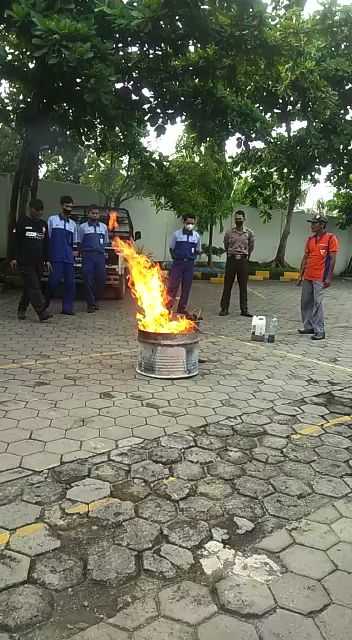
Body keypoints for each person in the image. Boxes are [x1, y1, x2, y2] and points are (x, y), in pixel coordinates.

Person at [10, 198, 52, 322]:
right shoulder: (22, 222)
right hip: (25, 262)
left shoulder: (43, 224)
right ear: (31, 209)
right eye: (36, 210)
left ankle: (21, 309)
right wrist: (13, 258)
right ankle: (42, 312)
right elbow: (15, 242)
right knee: (34, 286)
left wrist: (47, 260)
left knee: (31, 287)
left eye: (41, 211)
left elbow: (45, 243)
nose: (39, 213)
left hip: (38, 262)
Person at [298, 213, 339, 341]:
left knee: (317, 303)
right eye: (311, 223)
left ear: (322, 225)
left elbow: (332, 259)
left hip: (320, 277)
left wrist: (329, 277)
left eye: (314, 223)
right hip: (308, 276)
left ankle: (320, 330)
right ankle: (308, 326)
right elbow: (305, 258)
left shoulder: (331, 238)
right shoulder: (310, 240)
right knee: (305, 302)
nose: (312, 225)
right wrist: (300, 275)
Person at [219, 210, 255, 317]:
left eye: (240, 219)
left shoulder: (249, 233)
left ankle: (244, 310)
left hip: (243, 261)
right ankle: (224, 308)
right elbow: (226, 245)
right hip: (231, 260)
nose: (238, 221)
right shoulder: (229, 232)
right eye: (236, 219)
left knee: (243, 286)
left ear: (244, 219)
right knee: (227, 285)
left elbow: (251, 247)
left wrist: (246, 256)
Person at [46, 195, 78, 315]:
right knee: (52, 282)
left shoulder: (73, 224)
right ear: (61, 206)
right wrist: (47, 257)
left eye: (71, 207)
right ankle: (44, 304)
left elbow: (74, 242)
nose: (69, 208)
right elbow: (47, 238)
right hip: (55, 257)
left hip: (68, 258)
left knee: (70, 284)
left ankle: (67, 308)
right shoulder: (52, 220)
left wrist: (73, 255)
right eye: (66, 206)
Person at [167, 215, 201, 315]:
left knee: (186, 287)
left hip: (189, 265)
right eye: (188, 223)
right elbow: (171, 248)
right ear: (184, 222)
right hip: (178, 264)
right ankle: (168, 307)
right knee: (173, 286)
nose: (190, 225)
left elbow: (198, 250)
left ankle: (182, 308)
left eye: (192, 223)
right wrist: (176, 257)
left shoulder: (196, 236)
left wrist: (192, 257)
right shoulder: (176, 235)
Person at [78, 205, 109, 313]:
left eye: (96, 213)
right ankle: (90, 304)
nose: (95, 215)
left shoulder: (103, 227)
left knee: (101, 279)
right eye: (93, 213)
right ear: (88, 214)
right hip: (88, 256)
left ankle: (96, 300)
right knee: (87, 279)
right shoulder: (82, 227)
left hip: (100, 256)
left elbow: (105, 242)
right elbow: (79, 242)